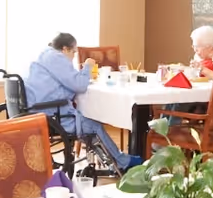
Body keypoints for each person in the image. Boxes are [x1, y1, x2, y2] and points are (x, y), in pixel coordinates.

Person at [25, 32, 142, 175]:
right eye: (73, 52)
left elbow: (66, 84)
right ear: (65, 49)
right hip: (52, 116)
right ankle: (122, 162)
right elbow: (79, 85)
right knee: (93, 124)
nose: (73, 56)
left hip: (38, 111)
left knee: (90, 123)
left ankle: (116, 162)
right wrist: (86, 67)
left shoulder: (45, 55)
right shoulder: (57, 58)